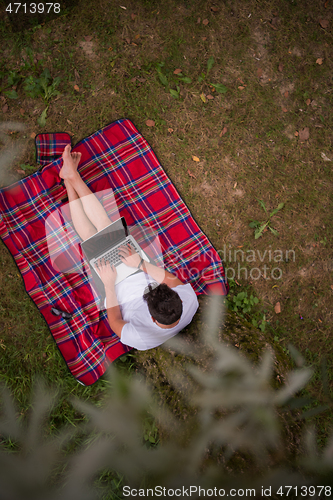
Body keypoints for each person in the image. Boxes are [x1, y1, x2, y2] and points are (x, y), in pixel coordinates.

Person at [59, 145, 199, 350]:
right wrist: (140, 263)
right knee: (106, 226)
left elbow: (114, 320)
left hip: (113, 284)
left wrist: (108, 284)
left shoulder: (140, 339)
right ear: (177, 298)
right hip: (137, 266)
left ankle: (70, 181)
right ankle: (71, 177)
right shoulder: (190, 302)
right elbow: (169, 279)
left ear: (152, 318)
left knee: (90, 237)